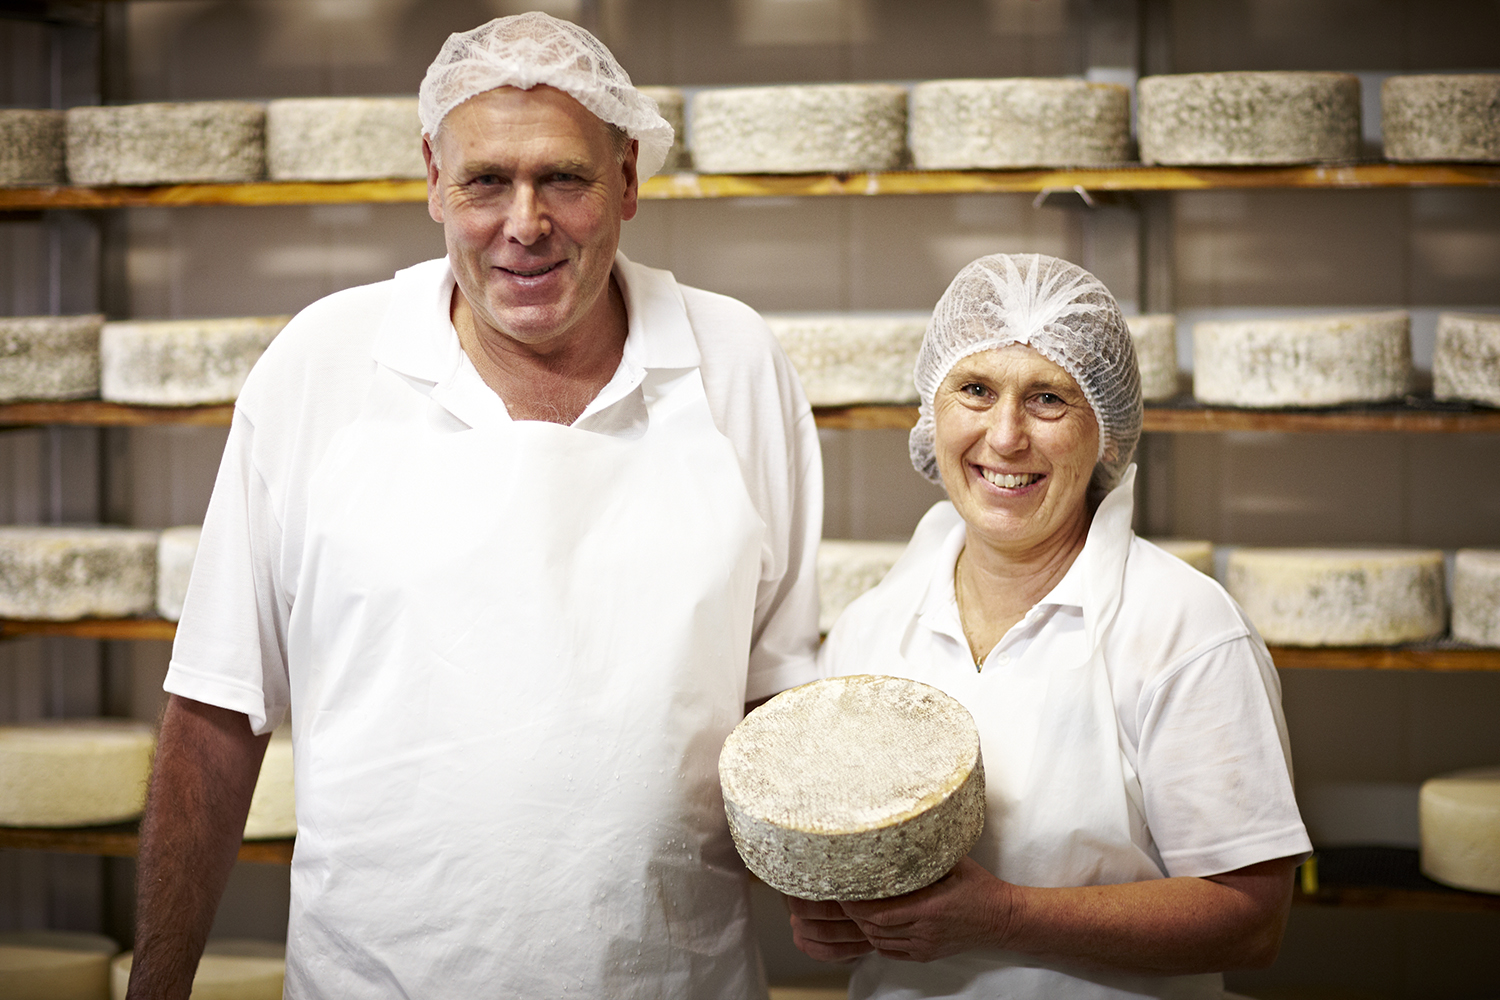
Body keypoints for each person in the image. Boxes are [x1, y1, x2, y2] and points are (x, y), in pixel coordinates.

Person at [126, 13, 821, 999]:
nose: (524, 223)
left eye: (564, 179)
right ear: (432, 179)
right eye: (485, 180)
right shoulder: (325, 364)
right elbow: (211, 712)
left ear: (627, 178)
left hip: (668, 981)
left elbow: (777, 704)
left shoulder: (734, 362)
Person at [792, 253, 1311, 1000]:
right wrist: (826, 913)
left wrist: (1004, 918)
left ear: (1105, 431)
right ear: (929, 408)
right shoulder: (871, 628)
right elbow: (844, 858)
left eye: (1048, 400)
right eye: (975, 389)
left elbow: (1251, 921)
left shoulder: (1183, 629)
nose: (1005, 438)